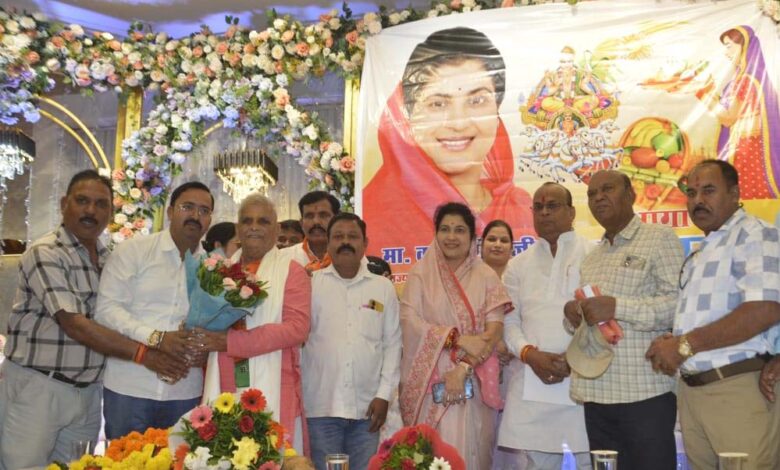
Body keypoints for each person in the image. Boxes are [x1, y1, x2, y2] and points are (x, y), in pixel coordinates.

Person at [0, 170, 186, 469]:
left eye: (101, 204)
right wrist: (146, 354)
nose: (91, 211)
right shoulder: (46, 252)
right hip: (39, 386)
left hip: (88, 393)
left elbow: (118, 316)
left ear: (110, 212)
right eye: (82, 201)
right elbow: (75, 324)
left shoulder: (109, 257)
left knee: (77, 466)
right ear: (64, 204)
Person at [363, 27, 534, 275]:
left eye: (477, 101)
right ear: (409, 119)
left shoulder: (522, 209)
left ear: (497, 114)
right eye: (438, 104)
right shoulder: (376, 212)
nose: (458, 123)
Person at [646, 160, 780, 469]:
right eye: (691, 193)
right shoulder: (702, 250)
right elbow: (710, 319)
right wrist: (673, 341)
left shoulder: (755, 234)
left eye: (708, 191)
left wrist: (684, 345)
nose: (697, 200)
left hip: (737, 389)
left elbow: (764, 308)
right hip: (692, 393)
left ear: (734, 194)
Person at [563, 170, 683, 470]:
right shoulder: (593, 258)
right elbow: (590, 324)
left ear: (630, 194)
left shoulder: (659, 238)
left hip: (645, 395)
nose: (599, 197)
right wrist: (573, 315)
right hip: (596, 395)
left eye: (607, 189)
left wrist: (617, 307)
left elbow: (677, 306)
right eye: (592, 194)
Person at [95, 181, 214, 439]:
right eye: (187, 207)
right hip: (130, 385)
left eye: (204, 211)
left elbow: (217, 326)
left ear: (210, 220)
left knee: (181, 458)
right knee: (124, 460)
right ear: (170, 212)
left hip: (185, 390)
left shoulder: (214, 268)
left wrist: (205, 349)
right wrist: (156, 338)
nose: (195, 216)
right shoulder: (134, 251)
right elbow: (106, 310)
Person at [399, 202, 512, 469]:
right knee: (431, 455)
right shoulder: (419, 275)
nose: (451, 237)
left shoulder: (486, 276)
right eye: (445, 229)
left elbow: (494, 331)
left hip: (474, 380)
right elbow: (409, 322)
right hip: (430, 383)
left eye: (460, 230)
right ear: (436, 233)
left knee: (471, 452)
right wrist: (456, 338)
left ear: (472, 237)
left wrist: (463, 368)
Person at [198, 193, 312, 455]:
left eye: (263, 221)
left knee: (273, 456)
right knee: (224, 453)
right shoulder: (219, 271)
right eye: (247, 221)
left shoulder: (292, 270)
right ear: (238, 228)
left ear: (277, 229)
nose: (254, 227)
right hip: (225, 376)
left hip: (274, 382)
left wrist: (232, 341)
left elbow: (297, 328)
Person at [498, 183, 591, 469]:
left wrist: (575, 359)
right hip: (532, 382)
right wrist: (529, 354)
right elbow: (509, 321)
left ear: (571, 212)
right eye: (538, 207)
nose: (544, 212)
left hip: (583, 381)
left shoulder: (593, 254)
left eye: (553, 206)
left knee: (588, 461)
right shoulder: (517, 266)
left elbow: (603, 320)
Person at [303, 213, 402, 470]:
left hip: (368, 410)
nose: (345, 242)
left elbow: (392, 345)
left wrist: (384, 396)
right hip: (321, 407)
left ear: (365, 243)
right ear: (328, 243)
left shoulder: (382, 288)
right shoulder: (310, 285)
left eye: (352, 236)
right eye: (338, 236)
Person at [696, 26, 780, 199]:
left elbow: (728, 118)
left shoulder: (745, 80)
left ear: (744, 46)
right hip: (751, 148)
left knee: (745, 195)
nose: (726, 53)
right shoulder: (754, 77)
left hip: (747, 151)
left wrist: (702, 94)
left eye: (729, 46)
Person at [287, 191, 340, 272]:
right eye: (309, 216)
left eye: (323, 215)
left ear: (337, 221)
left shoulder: (352, 258)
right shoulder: (285, 258)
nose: (316, 222)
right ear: (301, 223)